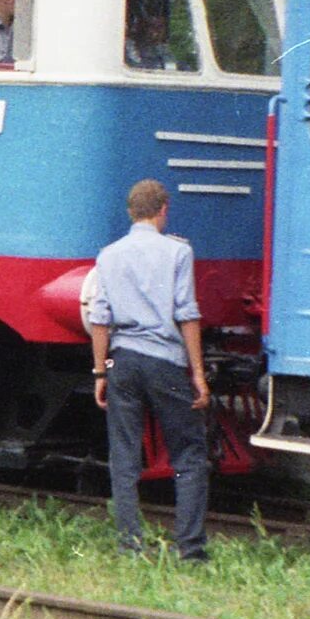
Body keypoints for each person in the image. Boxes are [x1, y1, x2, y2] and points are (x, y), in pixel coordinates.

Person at [83, 178, 213, 561]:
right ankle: (189, 550)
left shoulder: (108, 255)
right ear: (163, 210)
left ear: (130, 212)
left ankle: (130, 545)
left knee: (123, 458)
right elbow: (186, 314)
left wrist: (100, 373)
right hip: (165, 363)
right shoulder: (178, 253)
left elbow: (99, 318)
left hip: (122, 361)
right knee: (188, 456)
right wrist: (198, 374)